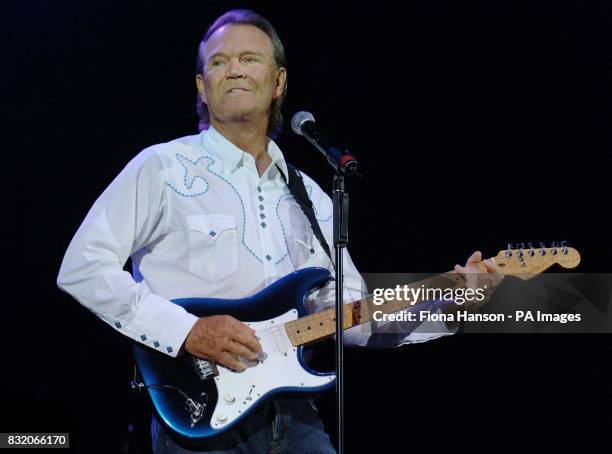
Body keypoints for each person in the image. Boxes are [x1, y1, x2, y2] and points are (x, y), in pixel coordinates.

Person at [57, 9, 501, 453]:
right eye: (217, 62)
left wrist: (455, 302)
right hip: (201, 415)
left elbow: (353, 319)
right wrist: (185, 330)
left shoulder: (311, 196)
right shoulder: (161, 167)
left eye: (249, 58)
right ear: (201, 87)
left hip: (296, 418)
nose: (233, 69)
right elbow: (82, 268)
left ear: (279, 82)